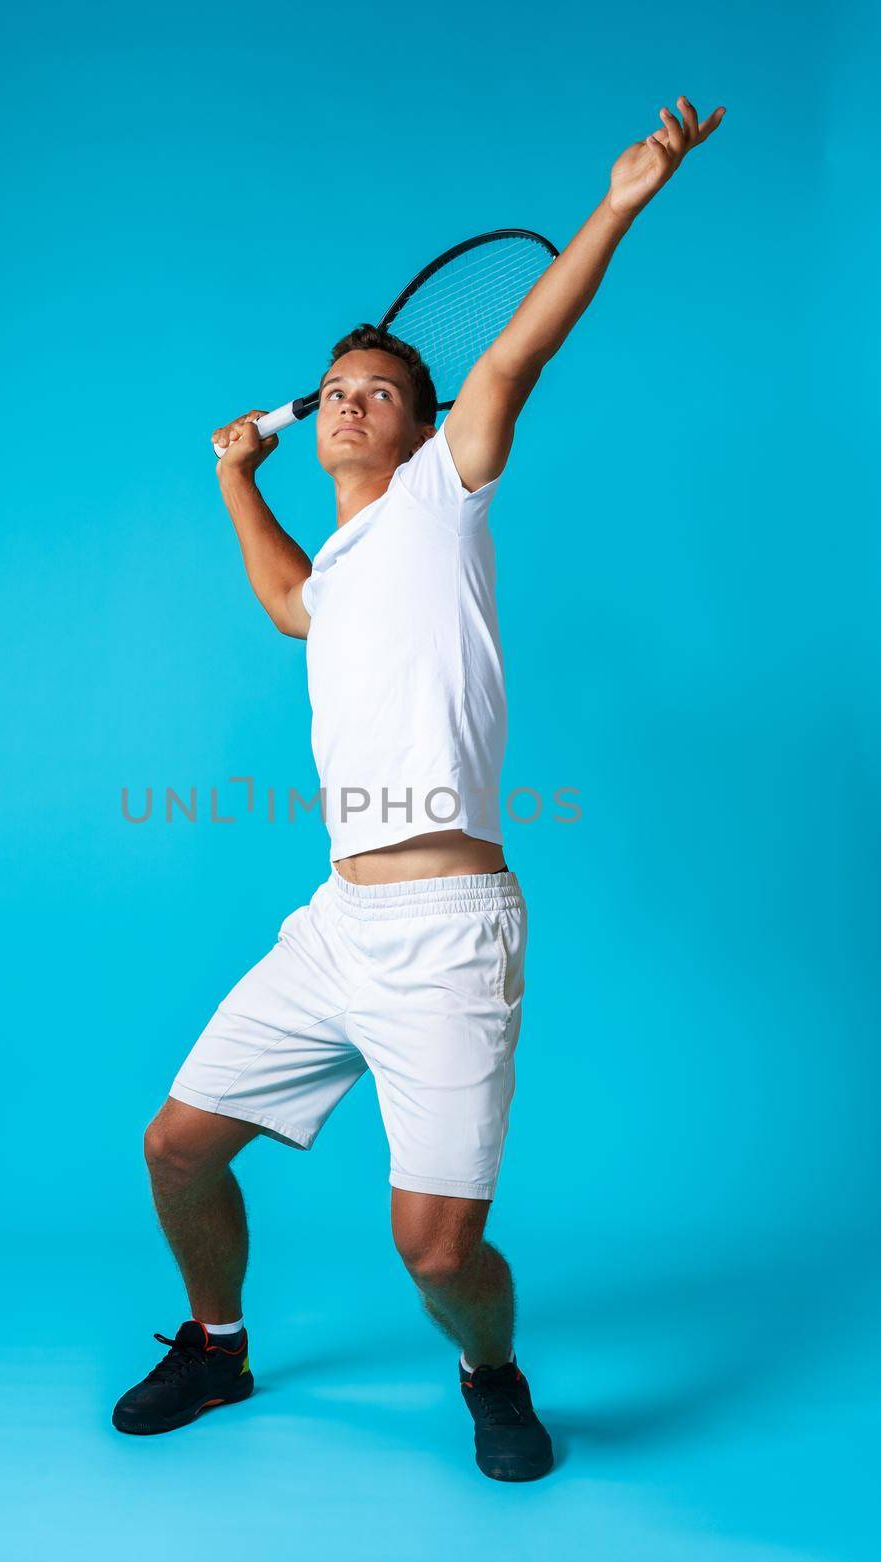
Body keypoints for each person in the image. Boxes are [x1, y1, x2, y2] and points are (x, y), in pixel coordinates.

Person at [112, 94, 726, 1480]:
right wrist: (235, 480)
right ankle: (217, 1344)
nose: (348, 400)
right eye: (333, 387)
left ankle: (490, 1372)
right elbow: (285, 599)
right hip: (334, 927)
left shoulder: (445, 496)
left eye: (376, 389)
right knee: (175, 1149)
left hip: (449, 933)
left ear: (420, 424)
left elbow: (512, 358)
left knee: (434, 1247)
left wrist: (622, 200)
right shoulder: (338, 574)